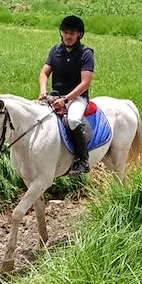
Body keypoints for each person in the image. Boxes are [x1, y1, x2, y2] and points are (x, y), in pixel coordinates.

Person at [39, 15, 94, 176]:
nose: (68, 36)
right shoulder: (55, 51)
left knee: (73, 120)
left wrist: (66, 99)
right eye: (65, 32)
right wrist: (43, 91)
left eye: (72, 33)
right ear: (61, 33)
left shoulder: (86, 54)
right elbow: (44, 73)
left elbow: (85, 82)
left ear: (79, 35)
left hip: (77, 98)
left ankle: (83, 160)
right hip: (55, 97)